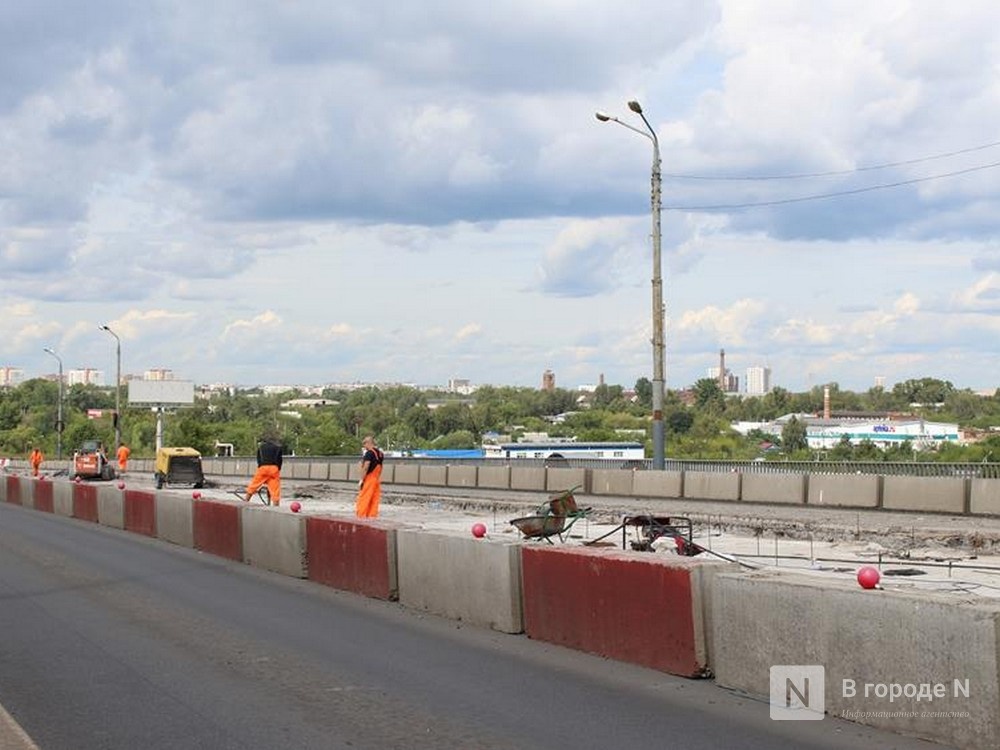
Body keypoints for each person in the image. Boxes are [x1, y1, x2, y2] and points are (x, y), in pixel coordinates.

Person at [245, 435, 282, 506]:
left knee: (253, 485)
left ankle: (245, 501)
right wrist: (277, 469)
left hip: (263, 468)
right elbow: (279, 460)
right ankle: (276, 507)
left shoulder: (261, 448)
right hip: (274, 469)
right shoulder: (278, 448)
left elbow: (258, 459)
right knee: (275, 490)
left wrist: (260, 467)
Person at [355, 435, 384, 518]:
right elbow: (380, 467)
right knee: (374, 499)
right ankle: (372, 516)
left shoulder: (369, 453)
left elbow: (366, 466)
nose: (364, 446)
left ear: (368, 443)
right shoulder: (380, 454)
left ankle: (361, 516)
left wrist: (361, 479)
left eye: (364, 444)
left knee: (364, 498)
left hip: (369, 479)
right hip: (376, 480)